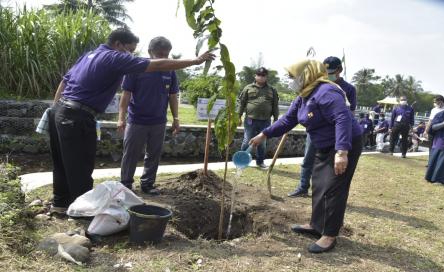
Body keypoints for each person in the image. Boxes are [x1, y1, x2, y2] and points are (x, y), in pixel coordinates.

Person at [48, 28, 215, 214]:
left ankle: (60, 204)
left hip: (60, 112)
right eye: (130, 50)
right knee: (80, 167)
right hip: (77, 116)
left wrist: (53, 111)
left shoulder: (90, 55)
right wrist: (195, 61)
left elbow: (64, 81)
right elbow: (157, 65)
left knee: (62, 164)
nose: (131, 54)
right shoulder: (114, 57)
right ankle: (83, 216)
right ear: (118, 44)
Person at [249, 60, 362, 253]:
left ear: (307, 75)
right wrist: (264, 134)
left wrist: (342, 152)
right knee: (319, 185)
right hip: (324, 144)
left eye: (294, 77)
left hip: (343, 145)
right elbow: (288, 119)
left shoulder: (326, 92)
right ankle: (316, 225)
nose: (291, 81)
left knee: (333, 189)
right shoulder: (304, 95)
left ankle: (329, 235)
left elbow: (342, 118)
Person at [287, 55, 358, 197]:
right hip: (315, 129)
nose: (328, 74)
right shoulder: (315, 84)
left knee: (328, 165)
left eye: (331, 71)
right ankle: (303, 186)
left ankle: (323, 192)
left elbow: (347, 114)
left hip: (333, 134)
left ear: (339, 70)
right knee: (308, 158)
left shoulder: (348, 89)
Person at [118, 36, 180, 195]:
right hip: (137, 120)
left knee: (154, 154)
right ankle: (125, 184)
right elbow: (126, 94)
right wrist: (121, 117)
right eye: (159, 54)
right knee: (131, 154)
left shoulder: (170, 70)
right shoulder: (137, 67)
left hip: (159, 121)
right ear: (150, 52)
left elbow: (173, 96)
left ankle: (148, 184)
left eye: (166, 55)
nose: (163, 58)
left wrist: (176, 118)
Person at [238, 67, 279, 169]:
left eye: (263, 76)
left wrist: (276, 119)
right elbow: (241, 104)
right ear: (255, 76)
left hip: (265, 121)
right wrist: (238, 117)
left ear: (266, 77)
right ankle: (242, 161)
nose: (261, 77)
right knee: (247, 140)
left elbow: (275, 105)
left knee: (262, 143)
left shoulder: (272, 90)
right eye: (259, 75)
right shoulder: (247, 88)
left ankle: (260, 162)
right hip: (250, 120)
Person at [424, 95, 444, 164]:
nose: (435, 103)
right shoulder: (434, 110)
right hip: (433, 130)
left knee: (441, 147)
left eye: (436, 102)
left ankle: (440, 163)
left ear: (441, 101)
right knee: (431, 146)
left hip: (443, 131)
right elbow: (430, 121)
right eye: (434, 102)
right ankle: (430, 162)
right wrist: (426, 131)